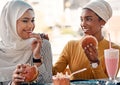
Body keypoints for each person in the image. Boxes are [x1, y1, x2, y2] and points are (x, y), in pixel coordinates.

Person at [53, 0, 120, 80]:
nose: (83, 24)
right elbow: (54, 72)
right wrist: (40, 55)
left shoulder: (114, 50)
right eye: (81, 19)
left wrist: (95, 63)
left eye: (88, 19)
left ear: (102, 22)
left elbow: (110, 81)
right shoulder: (71, 46)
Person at [0, 0, 52, 85]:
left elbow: (48, 82)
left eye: (32, 20)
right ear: (10, 23)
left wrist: (37, 58)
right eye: (25, 21)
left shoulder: (42, 45)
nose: (31, 26)